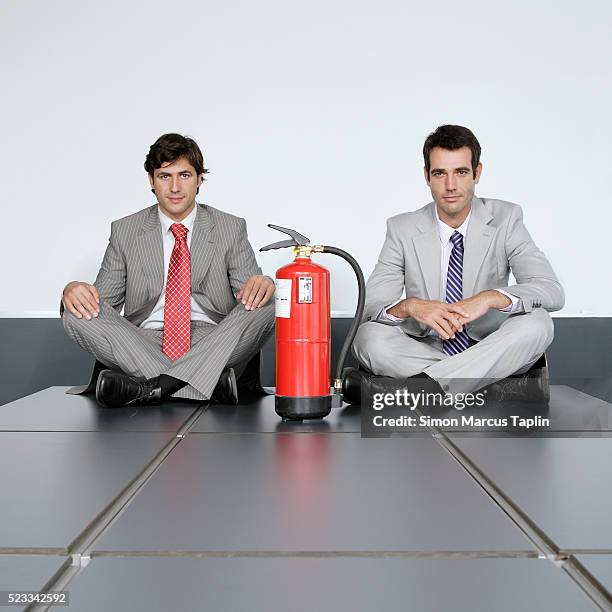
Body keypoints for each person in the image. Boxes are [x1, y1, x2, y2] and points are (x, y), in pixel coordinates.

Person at [61, 133, 275, 407]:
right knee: (74, 313)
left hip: (212, 338)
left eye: (184, 175)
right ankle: (203, 383)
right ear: (152, 180)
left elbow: (249, 296)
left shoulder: (230, 227)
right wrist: (73, 292)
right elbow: (103, 304)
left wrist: (262, 284)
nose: (175, 187)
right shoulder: (125, 230)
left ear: (199, 180)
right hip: (141, 342)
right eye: (165, 176)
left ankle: (156, 387)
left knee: (270, 301)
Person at [352, 125, 564, 395]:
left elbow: (551, 290)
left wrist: (489, 298)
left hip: (490, 345)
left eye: (461, 172)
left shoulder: (506, 219)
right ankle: (479, 385)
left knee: (538, 323)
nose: (450, 186)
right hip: (430, 350)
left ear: (477, 173)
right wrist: (410, 306)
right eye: (440, 173)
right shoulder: (402, 228)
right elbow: (370, 306)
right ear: (427, 176)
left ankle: (427, 387)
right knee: (368, 338)